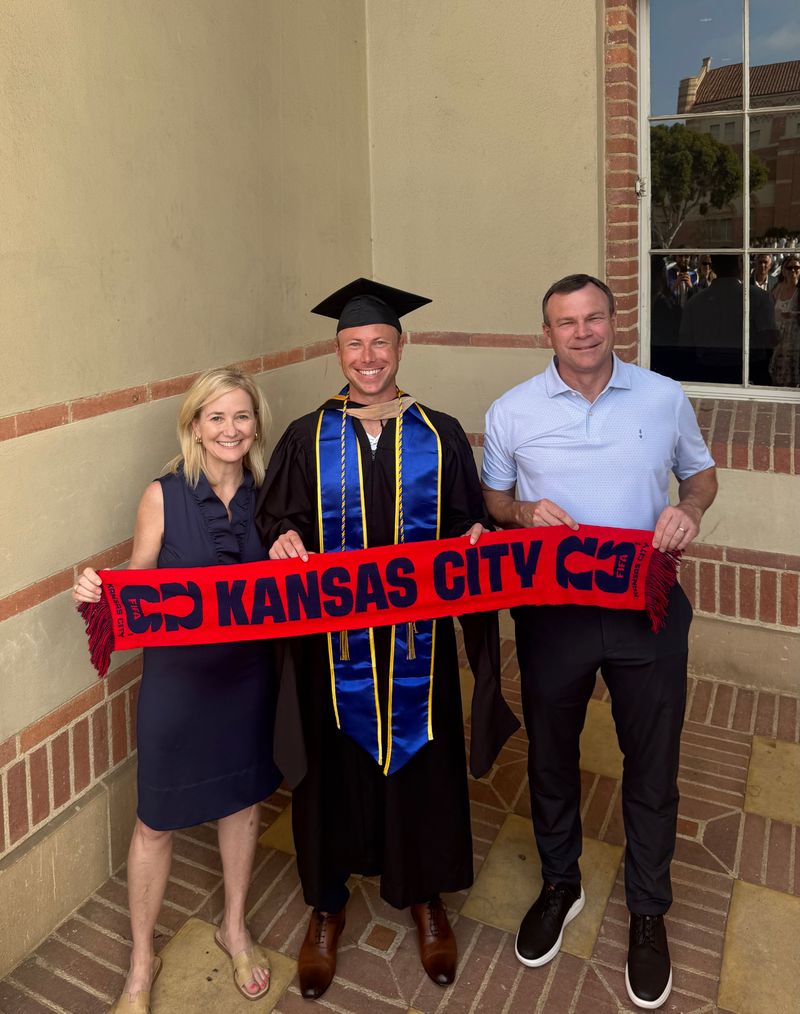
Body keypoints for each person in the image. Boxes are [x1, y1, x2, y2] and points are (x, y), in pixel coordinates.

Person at [255, 277, 518, 1001]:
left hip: (415, 648)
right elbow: (271, 517)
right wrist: (279, 536)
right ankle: (327, 905)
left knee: (422, 763)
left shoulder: (440, 432)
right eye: (353, 345)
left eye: (379, 343)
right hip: (331, 654)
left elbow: (474, 522)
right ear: (336, 352)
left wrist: (474, 533)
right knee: (331, 770)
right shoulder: (308, 436)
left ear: (403, 346)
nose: (367, 357)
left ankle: (425, 895)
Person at [481, 274, 717, 1010]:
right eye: (565, 322)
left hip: (645, 604)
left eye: (593, 318)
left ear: (615, 322)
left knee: (651, 760)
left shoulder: (661, 395)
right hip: (552, 612)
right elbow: (491, 500)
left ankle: (649, 909)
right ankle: (561, 884)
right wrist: (520, 512)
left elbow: (702, 474)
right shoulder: (510, 411)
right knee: (550, 753)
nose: (581, 332)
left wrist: (688, 509)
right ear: (544, 333)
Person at [73, 369, 281, 1012]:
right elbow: (139, 577)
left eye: (241, 416)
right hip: (179, 683)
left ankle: (235, 925)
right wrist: (101, 591)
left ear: (256, 425)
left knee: (242, 805)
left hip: (248, 676)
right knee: (155, 820)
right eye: (215, 418)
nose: (229, 430)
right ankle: (141, 959)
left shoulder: (269, 494)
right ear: (194, 425)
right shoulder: (162, 496)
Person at [769, 257, 800, 387]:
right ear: (783, 271)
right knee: (776, 374)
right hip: (778, 339)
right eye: (789, 267)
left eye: (796, 267)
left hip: (795, 339)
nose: (793, 270)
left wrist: (792, 315)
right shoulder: (777, 287)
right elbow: (768, 309)